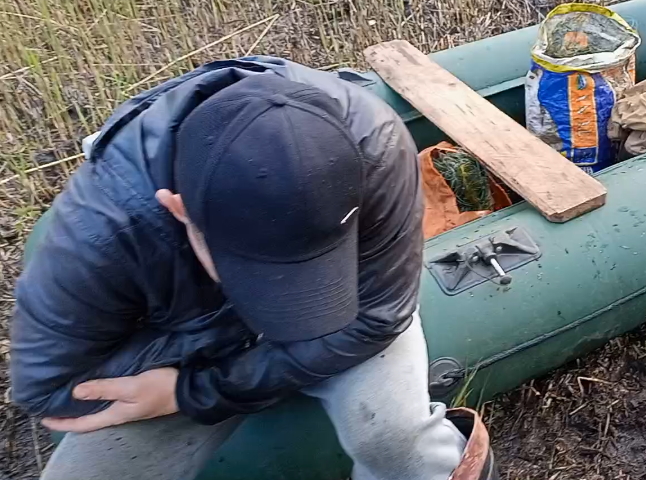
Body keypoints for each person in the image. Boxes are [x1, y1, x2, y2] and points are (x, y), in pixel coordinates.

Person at [10, 57, 499, 480]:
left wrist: (199, 389)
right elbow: (50, 390)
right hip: (195, 344)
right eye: (257, 274)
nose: (289, 305)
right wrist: (187, 381)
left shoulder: (374, 145)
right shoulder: (102, 231)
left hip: (212, 362)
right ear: (180, 212)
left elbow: (377, 317)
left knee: (395, 438)